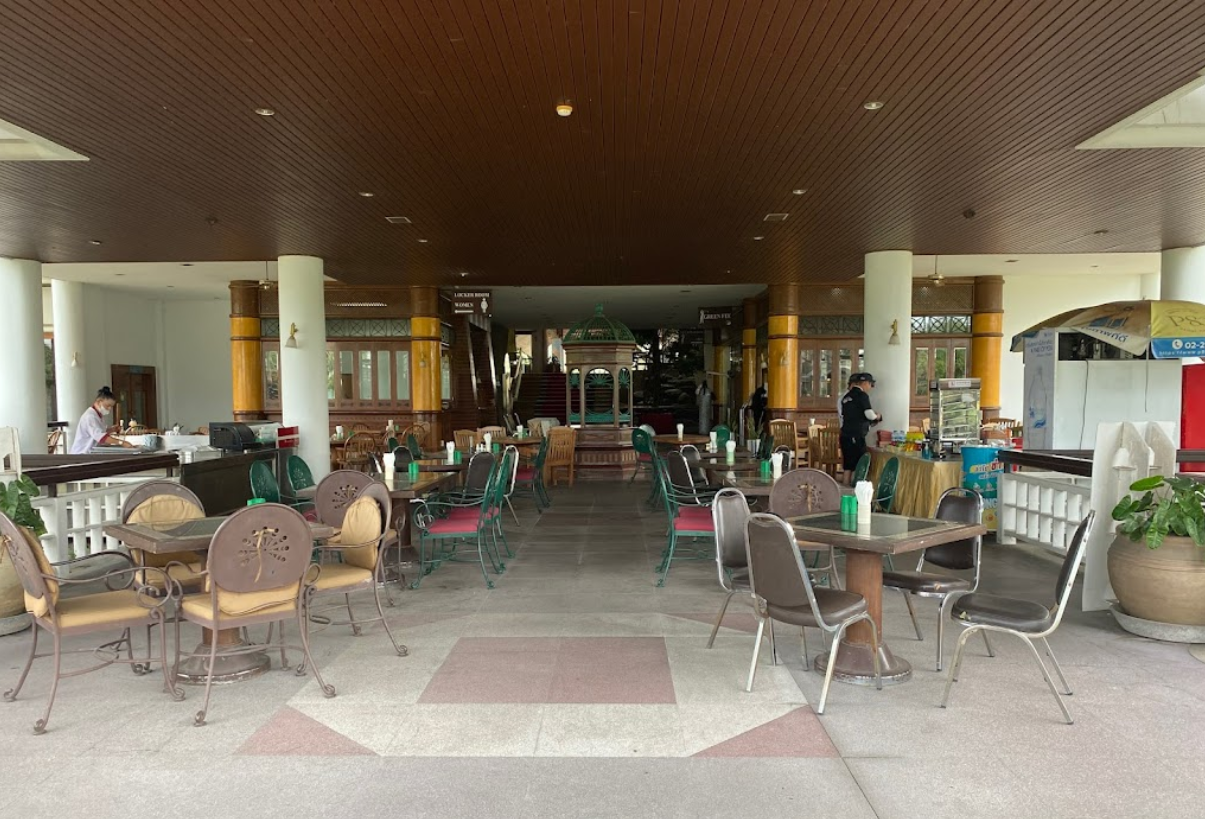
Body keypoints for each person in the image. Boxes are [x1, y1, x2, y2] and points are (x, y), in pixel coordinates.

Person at [839, 372, 882, 485]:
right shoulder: (862, 396)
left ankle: (845, 487)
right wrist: (877, 416)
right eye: (870, 384)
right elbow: (869, 415)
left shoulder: (846, 397)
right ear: (865, 383)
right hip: (856, 435)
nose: (870, 387)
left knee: (848, 464)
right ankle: (856, 488)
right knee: (860, 462)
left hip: (845, 434)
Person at [69, 386, 134, 454]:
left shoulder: (98, 415)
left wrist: (111, 430)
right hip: (82, 453)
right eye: (107, 406)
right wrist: (121, 442)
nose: (109, 409)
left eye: (111, 407)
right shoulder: (90, 416)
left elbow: (99, 431)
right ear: (99, 402)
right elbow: (100, 437)